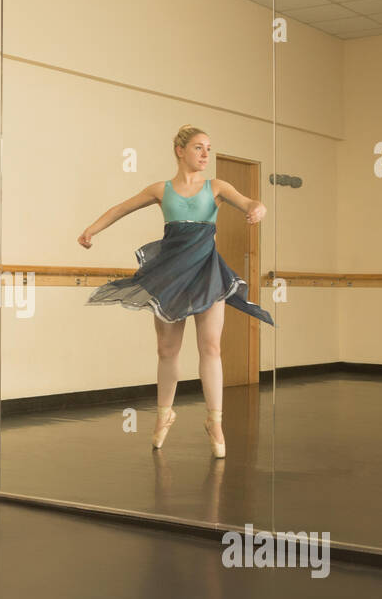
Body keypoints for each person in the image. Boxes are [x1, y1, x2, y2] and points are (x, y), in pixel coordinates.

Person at [80, 125, 274, 457]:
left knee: (211, 347)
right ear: (180, 151)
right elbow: (121, 208)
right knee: (167, 350)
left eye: (209, 149)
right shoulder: (161, 189)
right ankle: (164, 414)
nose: (205, 155)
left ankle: (215, 421)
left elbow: (250, 202)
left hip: (207, 274)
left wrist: (258, 208)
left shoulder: (217, 187)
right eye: (199, 147)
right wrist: (90, 230)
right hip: (170, 274)